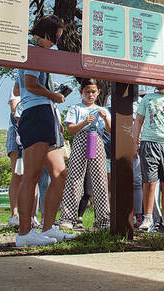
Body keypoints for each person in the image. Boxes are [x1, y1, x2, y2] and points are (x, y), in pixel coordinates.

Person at [14, 15, 75, 246]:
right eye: (56, 36)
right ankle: (24, 233)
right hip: (36, 114)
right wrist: (54, 95)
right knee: (32, 174)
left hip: (47, 115)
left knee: (60, 174)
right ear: (47, 33)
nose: (57, 42)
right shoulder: (33, 50)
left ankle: (49, 228)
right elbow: (28, 85)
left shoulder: (42, 54)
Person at [58, 78, 111, 230]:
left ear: (98, 92)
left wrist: (106, 118)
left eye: (93, 92)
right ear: (81, 92)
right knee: (75, 179)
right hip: (80, 139)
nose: (90, 95)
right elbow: (70, 130)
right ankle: (67, 218)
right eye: (87, 92)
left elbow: (110, 130)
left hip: (97, 140)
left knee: (100, 180)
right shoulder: (76, 108)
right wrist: (85, 122)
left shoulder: (103, 110)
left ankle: (103, 220)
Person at [132, 87, 164, 232]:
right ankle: (148, 217)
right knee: (149, 180)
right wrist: (135, 142)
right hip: (148, 141)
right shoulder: (147, 98)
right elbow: (138, 121)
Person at [7, 87, 23, 227]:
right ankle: (14, 214)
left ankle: (30, 214)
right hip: (18, 131)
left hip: (34, 131)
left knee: (32, 175)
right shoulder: (17, 85)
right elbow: (14, 109)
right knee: (17, 174)